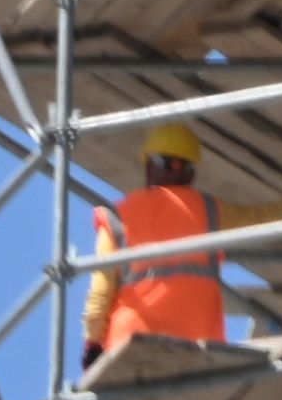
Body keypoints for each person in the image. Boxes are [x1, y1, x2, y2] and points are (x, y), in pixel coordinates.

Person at [92, 122, 227, 364]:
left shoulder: (118, 216)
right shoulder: (210, 211)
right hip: (200, 347)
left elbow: (101, 289)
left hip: (132, 343)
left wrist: (92, 342)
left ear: (148, 164)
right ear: (191, 173)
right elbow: (269, 215)